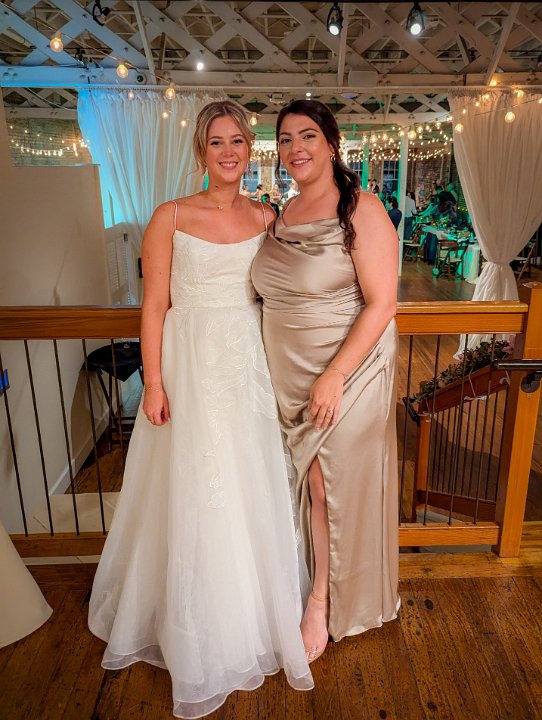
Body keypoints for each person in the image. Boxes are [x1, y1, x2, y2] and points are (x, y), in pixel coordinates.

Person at [88, 99, 313, 719]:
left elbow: (281, 295)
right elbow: (153, 306)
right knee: (194, 486)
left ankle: (249, 617)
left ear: (249, 149)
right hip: (188, 364)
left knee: (246, 482)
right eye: (217, 142)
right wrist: (154, 383)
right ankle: (193, 626)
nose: (229, 152)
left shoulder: (267, 216)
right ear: (201, 151)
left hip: (247, 364)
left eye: (237, 141)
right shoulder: (170, 216)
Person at [252, 99, 400, 664]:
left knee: (325, 483)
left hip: (348, 368)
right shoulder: (282, 212)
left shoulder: (361, 207)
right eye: (286, 139)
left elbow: (382, 303)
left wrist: (335, 374)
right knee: (312, 482)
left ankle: (322, 601)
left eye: (307, 135)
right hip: (290, 374)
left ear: (332, 144)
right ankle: (321, 583)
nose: (296, 148)